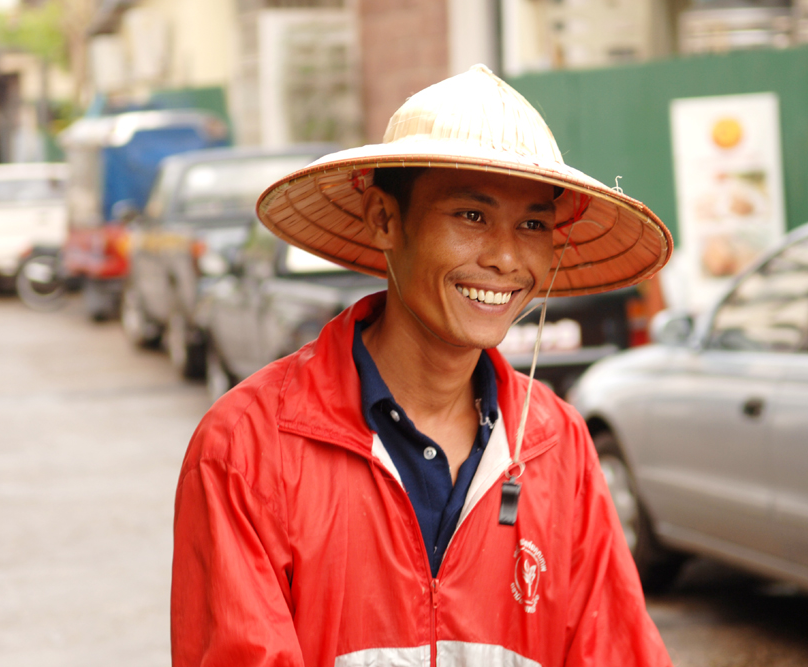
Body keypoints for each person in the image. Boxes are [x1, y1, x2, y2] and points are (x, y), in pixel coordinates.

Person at [171, 64, 673, 667]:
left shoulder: (557, 444)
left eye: (534, 224)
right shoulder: (246, 448)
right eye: (471, 216)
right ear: (384, 219)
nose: (507, 259)